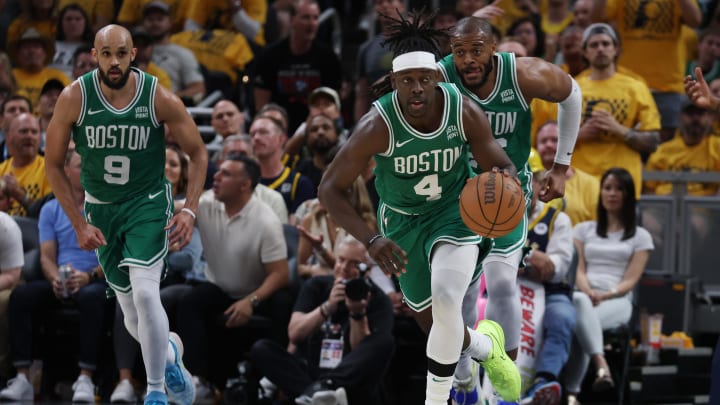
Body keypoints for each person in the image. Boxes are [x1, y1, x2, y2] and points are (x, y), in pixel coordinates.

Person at [318, 10, 521, 405]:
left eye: (424, 80)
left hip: (455, 212)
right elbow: (330, 190)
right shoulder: (377, 126)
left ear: (437, 79)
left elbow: (501, 162)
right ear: (394, 82)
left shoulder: (461, 111)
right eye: (406, 81)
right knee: (436, 325)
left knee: (447, 299)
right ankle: (485, 346)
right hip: (401, 224)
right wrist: (371, 239)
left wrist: (508, 180)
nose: (416, 90)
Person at [43, 24, 208, 405]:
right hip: (102, 210)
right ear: (94, 55)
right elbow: (53, 164)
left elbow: (198, 153)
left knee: (148, 296)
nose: (114, 62)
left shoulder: (157, 96)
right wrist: (80, 224)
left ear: (133, 55)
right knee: (133, 316)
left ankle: (154, 391)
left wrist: (191, 210)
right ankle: (168, 353)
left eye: (121, 53)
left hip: (147, 203)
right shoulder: (74, 97)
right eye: (106, 54)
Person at [439, 15, 581, 400]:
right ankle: (465, 381)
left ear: (494, 48)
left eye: (476, 50)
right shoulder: (439, 76)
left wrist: (562, 165)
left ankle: (505, 387)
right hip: (459, 194)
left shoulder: (521, 74)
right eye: (459, 51)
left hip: (507, 190)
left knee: (502, 283)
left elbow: (572, 94)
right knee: (463, 295)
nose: (467, 59)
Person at [0, 149, 111, 403]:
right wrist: (55, 279)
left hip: (96, 277)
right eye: (82, 165)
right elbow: (47, 257)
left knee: (92, 297)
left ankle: (85, 377)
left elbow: (114, 256)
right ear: (66, 172)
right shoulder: (51, 209)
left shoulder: (109, 207)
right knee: (21, 296)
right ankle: (22, 377)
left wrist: (89, 276)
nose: (89, 171)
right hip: (61, 278)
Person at [176, 154, 289, 400]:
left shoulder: (266, 221)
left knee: (283, 301)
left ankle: (272, 379)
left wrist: (251, 301)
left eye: (225, 174)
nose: (215, 177)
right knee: (191, 300)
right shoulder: (207, 203)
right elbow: (175, 207)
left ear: (245, 185)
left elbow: (280, 274)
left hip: (259, 292)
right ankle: (197, 379)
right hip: (220, 289)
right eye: (218, 171)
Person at [250, 235, 395, 404]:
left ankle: (320, 391)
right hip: (311, 372)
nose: (344, 268)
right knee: (262, 348)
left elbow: (362, 355)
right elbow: (295, 334)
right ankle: (317, 396)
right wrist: (327, 306)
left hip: (348, 385)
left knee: (385, 342)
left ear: (367, 269)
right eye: (341, 260)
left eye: (354, 264)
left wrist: (357, 313)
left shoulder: (378, 300)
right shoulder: (316, 286)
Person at [565, 167, 653, 404]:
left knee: (580, 322)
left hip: (617, 300)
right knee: (580, 306)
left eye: (619, 189)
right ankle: (600, 366)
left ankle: (570, 393)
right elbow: (579, 270)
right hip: (585, 294)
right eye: (607, 188)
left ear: (628, 195)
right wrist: (588, 291)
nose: (612, 194)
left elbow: (630, 280)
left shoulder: (641, 236)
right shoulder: (582, 230)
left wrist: (605, 295)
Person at [572, 23, 660, 199]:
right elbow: (549, 138)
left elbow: (653, 142)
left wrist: (618, 129)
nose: (600, 49)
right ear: (584, 52)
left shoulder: (635, 87)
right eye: (594, 45)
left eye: (606, 44)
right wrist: (579, 135)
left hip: (622, 182)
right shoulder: (572, 88)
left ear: (616, 49)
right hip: (580, 182)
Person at [518, 169, 575, 405]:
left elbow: (554, 269)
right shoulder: (494, 213)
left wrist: (515, 259)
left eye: (526, 182)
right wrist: (532, 257)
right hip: (501, 290)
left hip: (550, 292)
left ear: (541, 185)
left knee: (562, 318)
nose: (521, 189)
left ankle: (543, 381)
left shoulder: (558, 219)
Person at [536, 121, 599, 226]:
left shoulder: (591, 184)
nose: (548, 145)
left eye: (555, 140)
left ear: (568, 145)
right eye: (543, 141)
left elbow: (597, 228)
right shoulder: (529, 181)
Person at [0, 113, 52, 216]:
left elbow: (49, 215)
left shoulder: (50, 170)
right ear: (9, 136)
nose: (29, 136)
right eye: (23, 131)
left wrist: (18, 194)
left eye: (34, 132)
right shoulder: (1, 169)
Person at [0, 212, 23, 380]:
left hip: (7, 280)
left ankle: (3, 371)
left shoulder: (7, 227)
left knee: (3, 301)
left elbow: (12, 275)